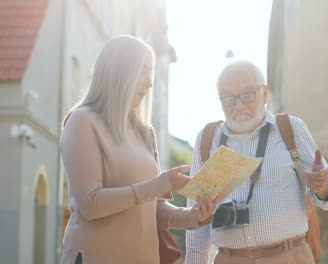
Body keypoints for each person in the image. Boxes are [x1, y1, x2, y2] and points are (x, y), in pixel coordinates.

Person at [60, 35, 216, 264]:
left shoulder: (145, 132)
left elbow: (153, 208)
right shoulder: (83, 121)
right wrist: (158, 185)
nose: (150, 82)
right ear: (117, 72)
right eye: (142, 71)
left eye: (150, 72)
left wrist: (192, 217)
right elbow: (89, 204)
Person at [185, 60, 328, 264]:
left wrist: (322, 187)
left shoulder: (291, 129)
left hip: (288, 256)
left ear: (265, 94)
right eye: (229, 98)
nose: (238, 105)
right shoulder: (206, 139)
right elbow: (196, 221)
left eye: (248, 95)